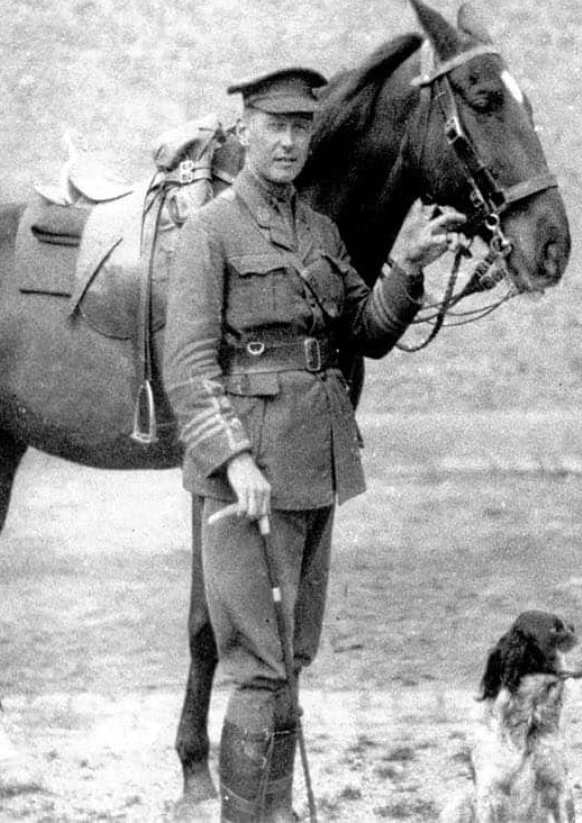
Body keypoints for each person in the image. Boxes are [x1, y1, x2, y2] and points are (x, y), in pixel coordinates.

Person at [163, 66, 464, 822]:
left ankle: (273, 811)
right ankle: (250, 816)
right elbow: (189, 365)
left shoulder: (321, 233)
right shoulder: (212, 232)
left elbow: (365, 332)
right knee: (259, 667)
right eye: (276, 126)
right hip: (250, 476)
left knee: (290, 661)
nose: (291, 141)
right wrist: (232, 460)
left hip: (316, 467)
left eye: (302, 127)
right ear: (248, 132)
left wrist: (407, 265)